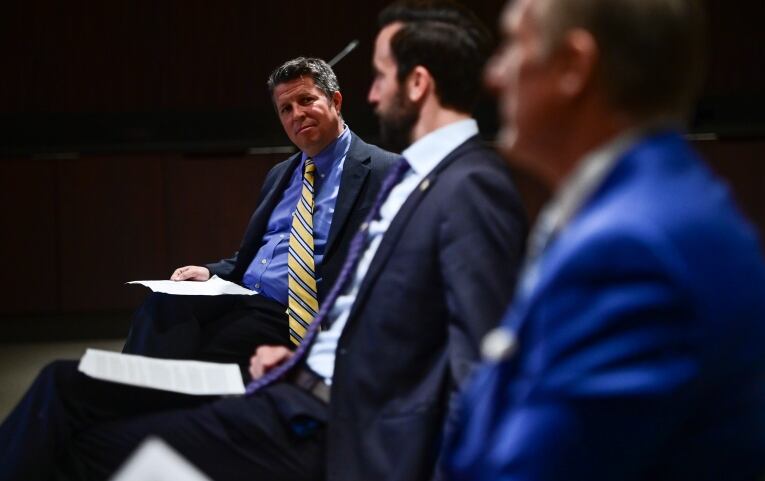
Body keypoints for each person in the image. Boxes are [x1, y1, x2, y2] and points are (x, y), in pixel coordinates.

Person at [0, 2, 527, 480]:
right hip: (290, 360)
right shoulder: (367, 177)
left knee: (72, 419)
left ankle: (146, 402)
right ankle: (148, 395)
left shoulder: (432, 180)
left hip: (321, 401)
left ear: (414, 84)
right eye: (285, 109)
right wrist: (222, 282)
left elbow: (474, 358)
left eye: (381, 77)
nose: (373, 93)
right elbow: (358, 299)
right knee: (100, 359)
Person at [444, 0, 765, 480]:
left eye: (515, 44)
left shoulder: (630, 250)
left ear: (573, 67)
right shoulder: (670, 204)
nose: (496, 75)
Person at [122, 56, 396, 365]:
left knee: (199, 355)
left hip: (294, 312)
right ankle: (126, 394)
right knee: (163, 302)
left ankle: (130, 404)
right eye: (286, 109)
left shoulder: (385, 170)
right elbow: (255, 253)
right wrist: (212, 272)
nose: (297, 115)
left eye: (306, 100)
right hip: (240, 294)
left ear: (335, 100)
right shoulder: (280, 174)